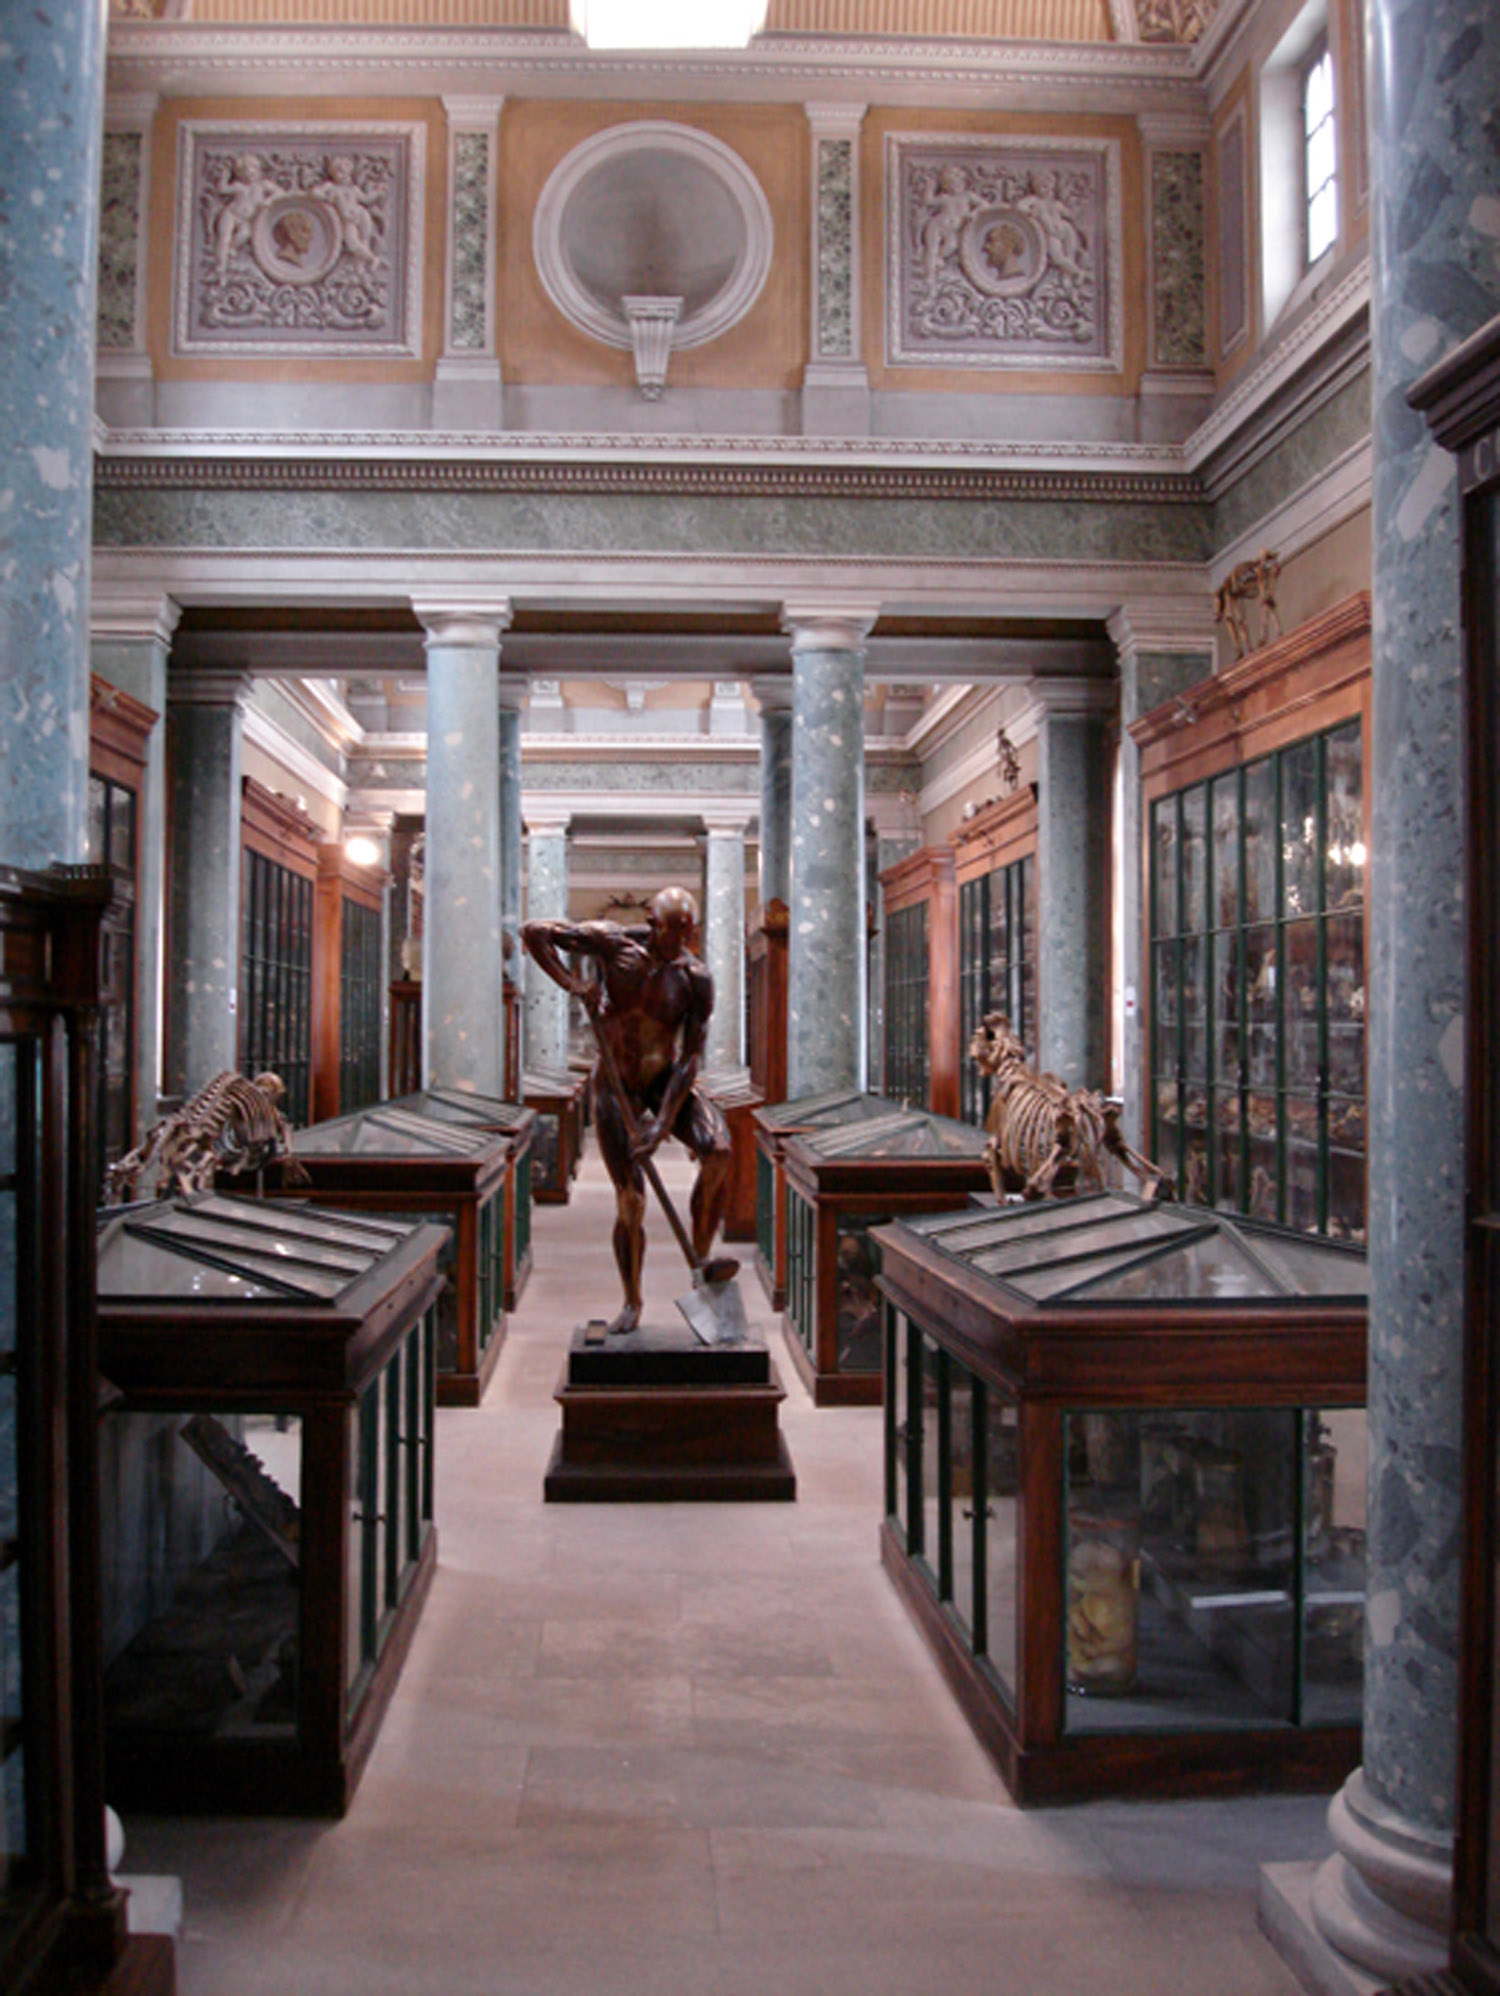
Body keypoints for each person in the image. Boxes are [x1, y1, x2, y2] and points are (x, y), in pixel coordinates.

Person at [522, 887, 732, 1335]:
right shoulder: (612, 943)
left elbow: (690, 1057)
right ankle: (632, 1300)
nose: (679, 944)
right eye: (672, 933)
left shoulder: (695, 978)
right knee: (631, 1201)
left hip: (663, 1082)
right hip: (615, 1086)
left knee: (718, 1151)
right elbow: (535, 932)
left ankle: (701, 1259)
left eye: (687, 935)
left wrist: (663, 1122)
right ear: (653, 923)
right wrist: (574, 984)